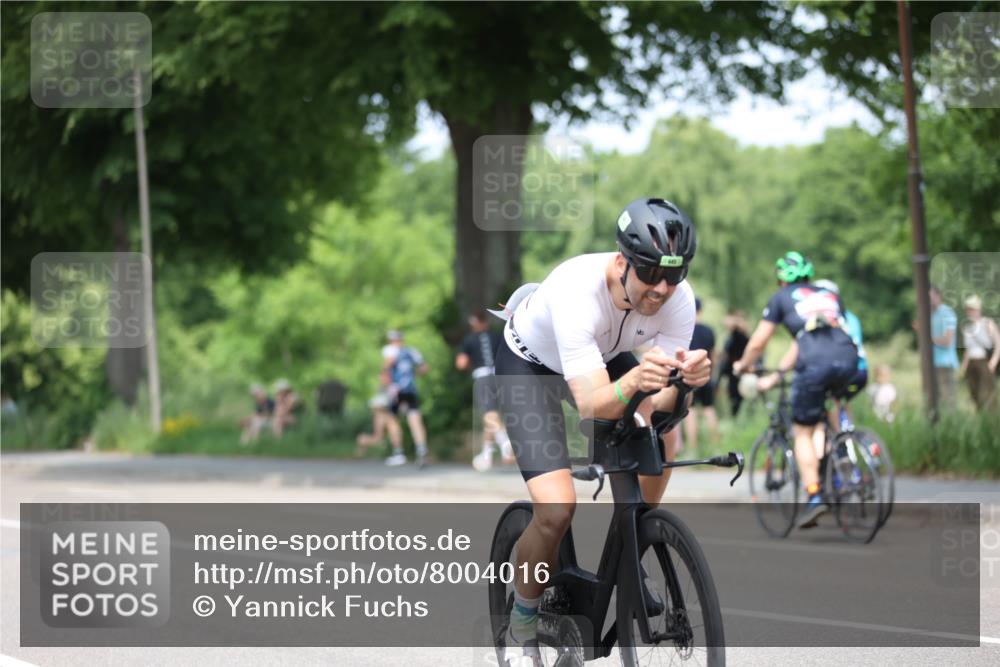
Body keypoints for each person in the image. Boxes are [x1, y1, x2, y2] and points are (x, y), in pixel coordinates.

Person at [493, 197, 710, 662]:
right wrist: (635, 381)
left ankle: (636, 541)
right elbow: (592, 404)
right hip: (530, 368)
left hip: (602, 357)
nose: (661, 289)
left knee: (660, 434)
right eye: (650, 273)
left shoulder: (678, 298)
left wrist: (686, 383)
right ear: (621, 262)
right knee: (555, 510)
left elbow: (659, 403)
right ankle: (521, 627)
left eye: (673, 275)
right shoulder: (578, 289)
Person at [734, 251, 858, 530]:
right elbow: (821, 335)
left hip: (814, 365)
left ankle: (814, 493)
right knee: (825, 419)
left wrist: (743, 365)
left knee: (802, 430)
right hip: (849, 358)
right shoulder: (828, 294)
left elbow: (758, 342)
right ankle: (842, 459)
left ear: (781, 280)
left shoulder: (782, 297)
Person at [456, 310, 514, 471]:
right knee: (493, 415)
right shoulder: (497, 336)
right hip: (500, 377)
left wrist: (469, 366)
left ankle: (504, 443)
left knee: (489, 413)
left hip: (482, 377)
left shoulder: (469, 340)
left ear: (474, 323)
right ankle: (487, 454)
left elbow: (461, 363)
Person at [814, 279, 868, 427]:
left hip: (841, 371)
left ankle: (839, 442)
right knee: (842, 402)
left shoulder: (824, 318)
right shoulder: (852, 318)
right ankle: (850, 436)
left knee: (829, 403)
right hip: (861, 372)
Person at [382, 330, 431, 467]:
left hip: (397, 391)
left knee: (392, 419)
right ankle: (421, 449)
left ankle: (399, 453)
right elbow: (425, 367)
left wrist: (388, 378)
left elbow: (386, 369)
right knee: (414, 419)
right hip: (410, 389)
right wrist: (412, 375)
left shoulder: (389, 351)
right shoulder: (411, 351)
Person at [915, 285, 959, 409]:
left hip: (944, 364)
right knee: (931, 401)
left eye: (930, 296)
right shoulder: (928, 315)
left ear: (938, 296)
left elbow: (947, 341)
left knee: (947, 401)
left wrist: (925, 335)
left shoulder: (947, 313)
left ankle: (950, 426)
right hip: (930, 364)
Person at [684, 298, 719, 446]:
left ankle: (693, 445)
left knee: (689, 409)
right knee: (709, 408)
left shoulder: (684, 329)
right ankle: (716, 443)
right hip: (706, 373)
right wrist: (713, 374)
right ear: (700, 310)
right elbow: (714, 355)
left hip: (688, 375)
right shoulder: (709, 331)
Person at [959, 294, 1000, 412]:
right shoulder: (967, 327)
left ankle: (992, 423)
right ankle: (981, 421)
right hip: (972, 363)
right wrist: (964, 367)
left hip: (984, 362)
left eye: (972, 309)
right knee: (974, 395)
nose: (970, 312)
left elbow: (998, 344)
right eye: (968, 309)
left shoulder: (987, 323)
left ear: (979, 309)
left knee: (987, 395)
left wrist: (993, 362)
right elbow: (968, 350)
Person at [719, 310, 750, 416]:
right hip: (731, 369)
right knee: (733, 394)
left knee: (739, 395)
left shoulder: (741, 336)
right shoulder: (732, 337)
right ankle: (735, 416)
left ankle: (738, 416)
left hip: (740, 368)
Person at [355, 387, 393, 456]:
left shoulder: (381, 417)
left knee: (361, 439)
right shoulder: (378, 417)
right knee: (361, 437)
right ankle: (361, 454)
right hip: (379, 438)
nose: (372, 409)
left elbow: (379, 436)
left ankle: (360, 454)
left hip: (381, 441)